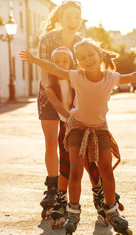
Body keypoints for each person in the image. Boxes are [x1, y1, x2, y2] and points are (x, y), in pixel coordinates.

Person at [19, 38, 136, 235]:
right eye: (82, 57)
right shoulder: (76, 76)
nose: (87, 59)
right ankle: (73, 211)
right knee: (75, 170)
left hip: (100, 127)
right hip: (76, 127)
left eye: (91, 54)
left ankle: (112, 211)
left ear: (99, 55)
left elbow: (134, 75)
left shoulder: (111, 77)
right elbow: (56, 69)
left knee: (106, 170)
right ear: (79, 62)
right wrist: (34, 60)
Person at [44, 47, 103, 228]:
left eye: (64, 61)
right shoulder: (50, 87)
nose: (60, 64)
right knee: (66, 164)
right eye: (56, 62)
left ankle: (101, 198)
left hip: (86, 125)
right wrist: (72, 121)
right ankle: (61, 201)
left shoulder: (78, 80)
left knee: (89, 161)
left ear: (71, 64)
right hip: (67, 126)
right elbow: (58, 106)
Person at [36, 0, 84, 218]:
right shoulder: (48, 39)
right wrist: (50, 91)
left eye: (77, 16)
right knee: (50, 141)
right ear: (61, 18)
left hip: (73, 95)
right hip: (49, 92)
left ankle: (68, 188)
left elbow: (84, 71)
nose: (73, 21)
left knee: (69, 143)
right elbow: (44, 68)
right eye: (69, 16)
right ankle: (52, 187)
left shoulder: (81, 41)